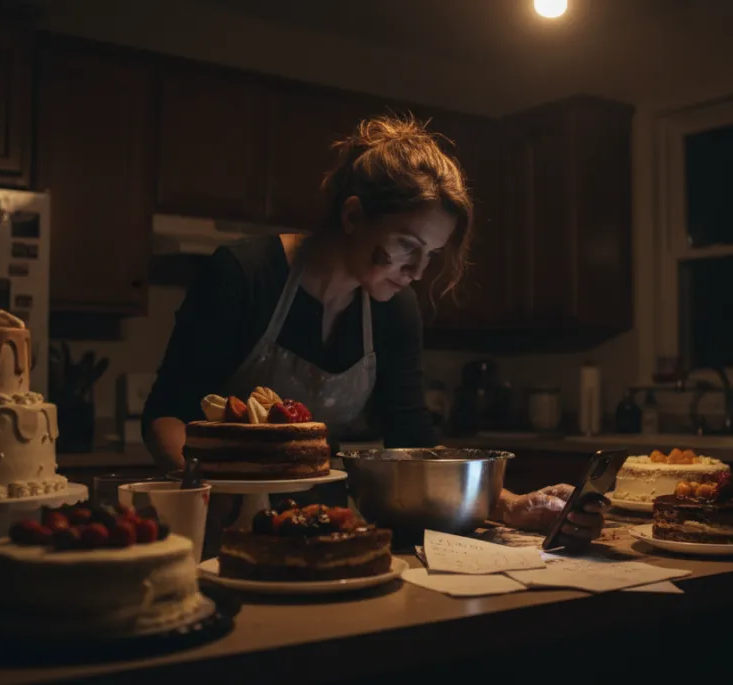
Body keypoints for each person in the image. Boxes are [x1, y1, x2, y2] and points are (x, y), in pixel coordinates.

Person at [142, 114, 605, 545]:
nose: (417, 271)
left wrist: (508, 505)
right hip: (210, 519)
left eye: (431, 254)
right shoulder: (244, 276)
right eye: (407, 246)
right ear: (352, 216)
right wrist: (208, 490)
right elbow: (166, 413)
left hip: (317, 526)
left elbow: (412, 441)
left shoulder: (393, 309)